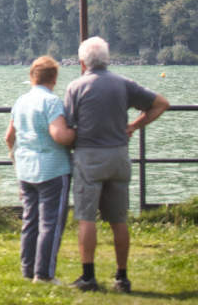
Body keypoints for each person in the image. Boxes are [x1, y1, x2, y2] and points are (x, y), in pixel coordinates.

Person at [64, 36, 169, 293]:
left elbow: (67, 126)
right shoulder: (124, 84)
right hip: (119, 155)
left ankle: (88, 276)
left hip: (89, 156)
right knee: (118, 219)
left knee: (86, 217)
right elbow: (161, 104)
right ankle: (122, 277)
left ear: (82, 62)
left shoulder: (76, 87)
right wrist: (134, 125)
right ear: (107, 59)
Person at [5, 56, 76, 284]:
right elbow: (60, 135)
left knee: (30, 221)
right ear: (54, 78)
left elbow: (9, 137)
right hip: (52, 169)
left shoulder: (21, 101)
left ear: (31, 77)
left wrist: (16, 155)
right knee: (51, 224)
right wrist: (82, 134)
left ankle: (27, 270)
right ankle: (44, 274)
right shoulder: (52, 102)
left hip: (25, 169)